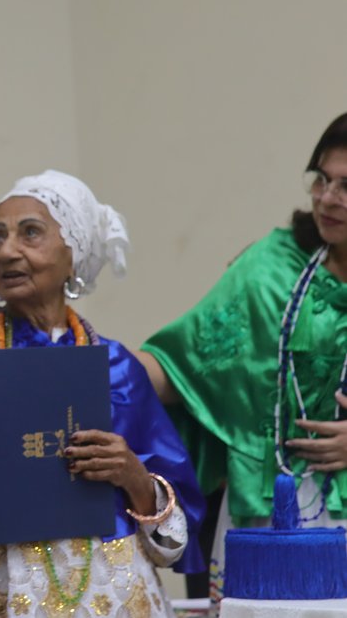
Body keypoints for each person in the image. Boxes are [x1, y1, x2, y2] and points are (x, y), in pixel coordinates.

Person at [0, 170, 205, 617]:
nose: (7, 251)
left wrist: (133, 476)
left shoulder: (117, 368)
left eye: (30, 233)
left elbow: (170, 545)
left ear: (73, 254)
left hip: (108, 595)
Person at [138, 112, 347, 606]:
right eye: (321, 179)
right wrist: (89, 369)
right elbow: (186, 363)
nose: (328, 197)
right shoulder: (270, 270)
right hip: (268, 505)